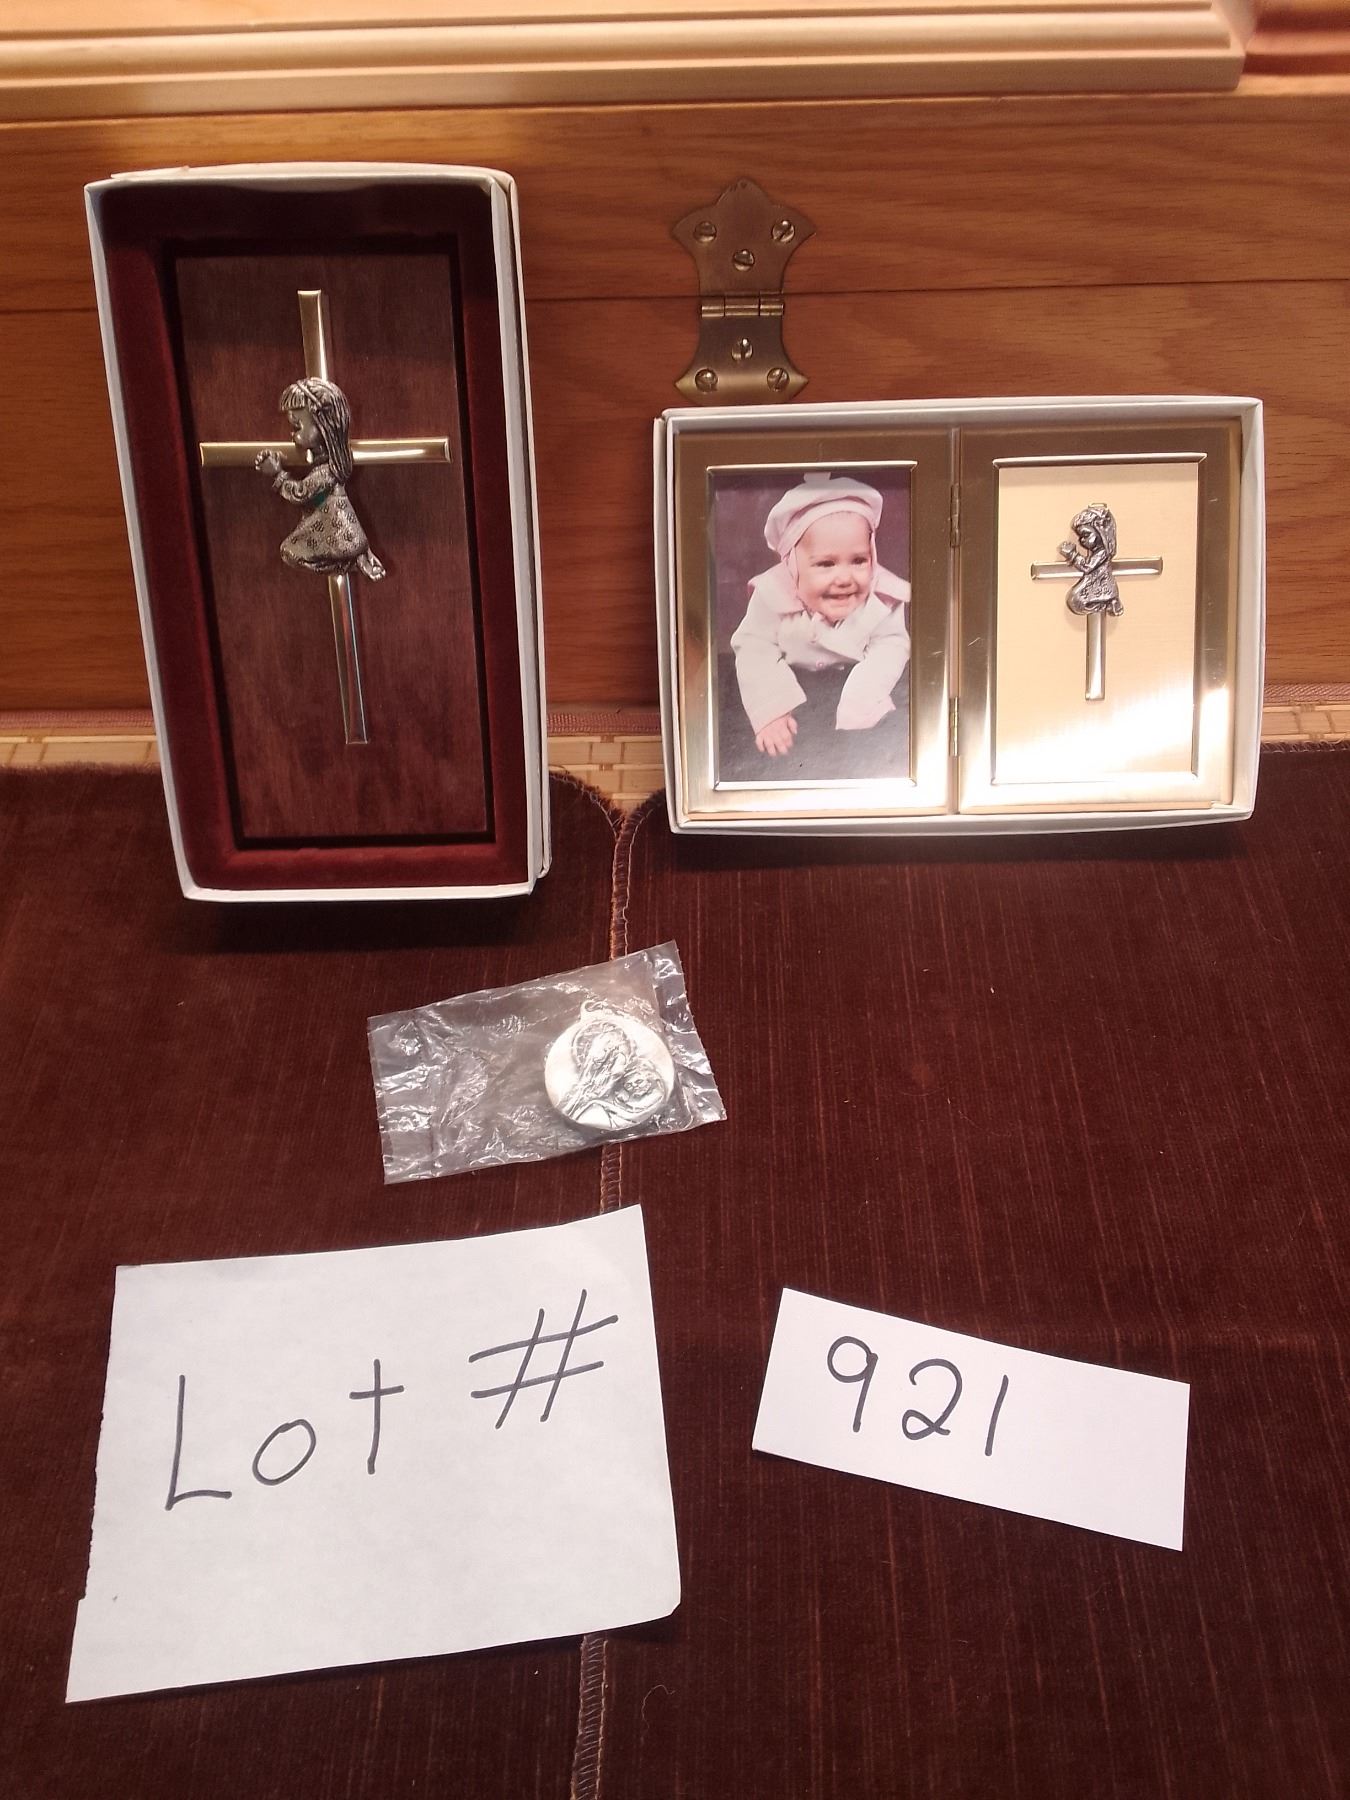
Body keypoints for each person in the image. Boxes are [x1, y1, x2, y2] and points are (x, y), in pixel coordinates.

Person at [728, 473, 910, 771]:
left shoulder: (882, 597)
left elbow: (891, 646)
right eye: (826, 564)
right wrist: (771, 709)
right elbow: (753, 646)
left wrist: (863, 697)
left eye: (859, 560)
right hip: (793, 685)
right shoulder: (772, 593)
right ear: (791, 565)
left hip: (851, 687)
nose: (844, 578)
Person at [254, 376, 386, 581]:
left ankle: (347, 565)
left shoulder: (326, 472)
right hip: (335, 529)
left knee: (290, 552)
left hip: (334, 530)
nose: (291, 434)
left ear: (323, 425)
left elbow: (300, 494)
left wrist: (277, 474)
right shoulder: (327, 466)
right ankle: (353, 562)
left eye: (297, 426)